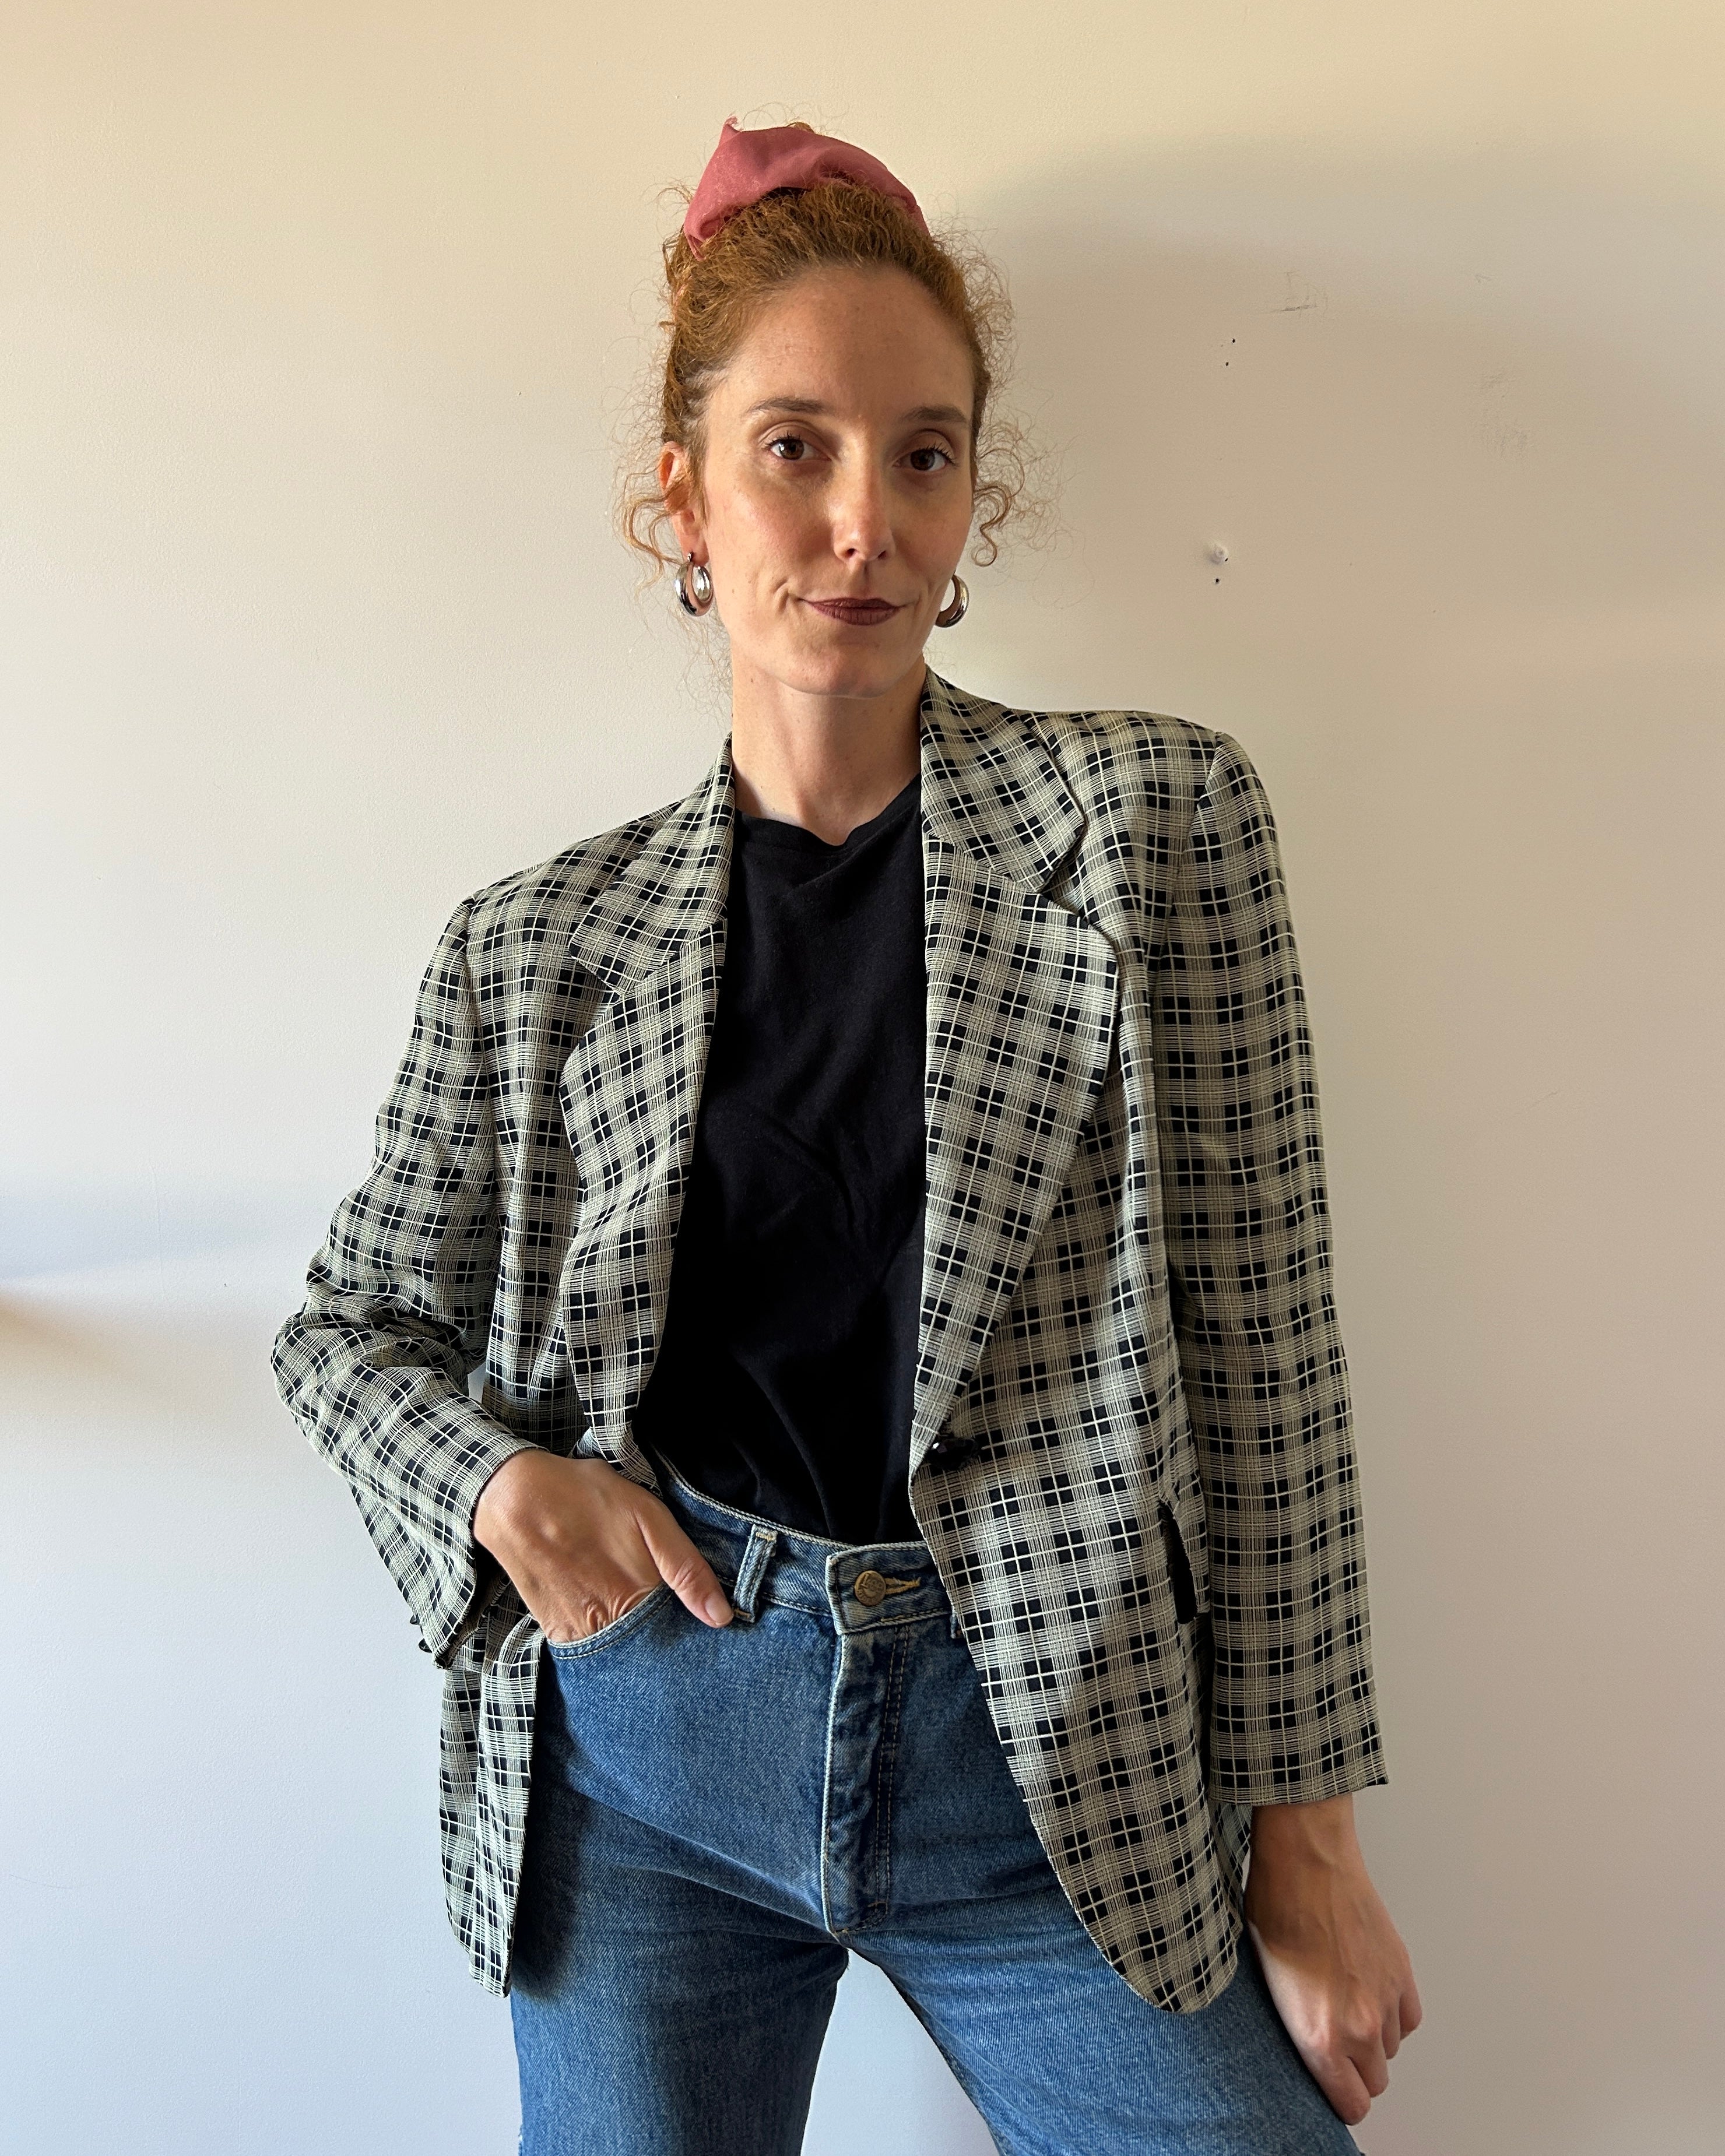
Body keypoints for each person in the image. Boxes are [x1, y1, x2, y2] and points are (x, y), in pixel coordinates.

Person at [272, 114, 1421, 2156]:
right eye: (793, 448)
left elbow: (1268, 1358)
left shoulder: (1152, 828)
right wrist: (502, 1485)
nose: (862, 521)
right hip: (652, 1760)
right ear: (686, 499)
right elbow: (345, 1330)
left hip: (1051, 1754)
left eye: (923, 453)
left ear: (975, 496)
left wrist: (1308, 1840)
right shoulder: (537, 946)